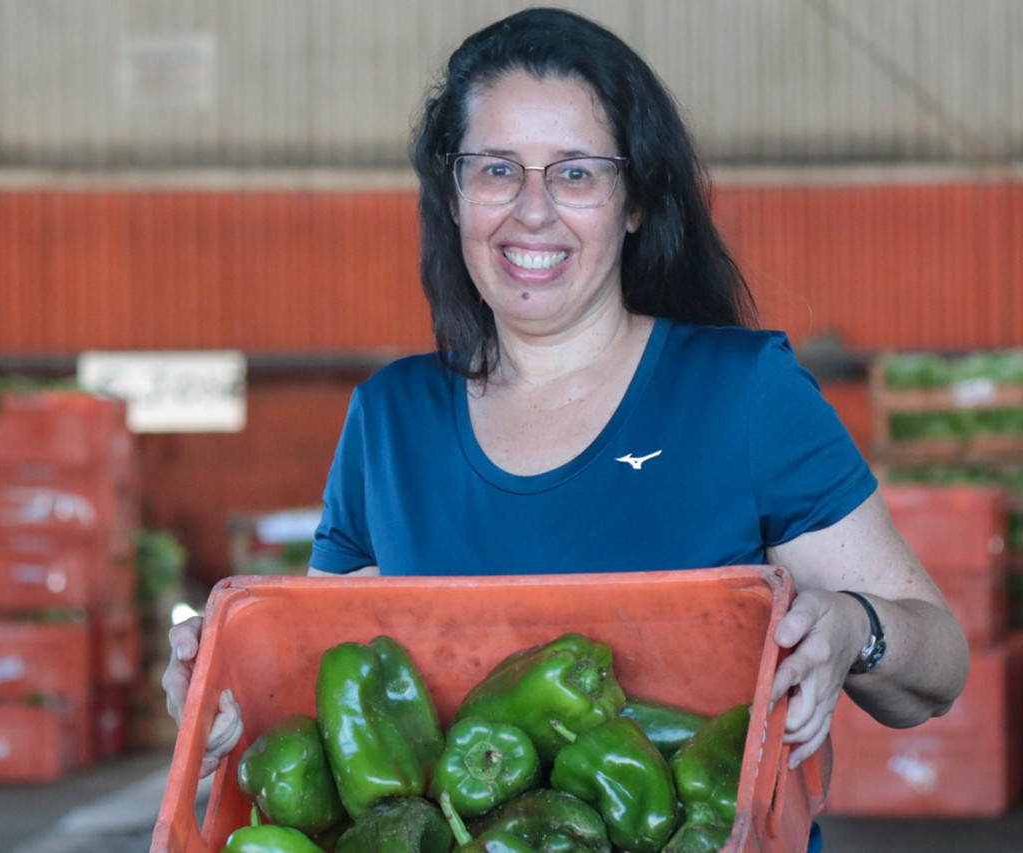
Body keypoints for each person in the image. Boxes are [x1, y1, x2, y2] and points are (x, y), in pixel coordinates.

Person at [166, 7, 969, 849]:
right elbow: (322, 709)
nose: (533, 210)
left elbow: (938, 667)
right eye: (497, 169)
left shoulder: (741, 393)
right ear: (453, 193)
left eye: (576, 173)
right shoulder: (388, 420)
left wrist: (851, 626)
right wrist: (221, 702)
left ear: (634, 203)